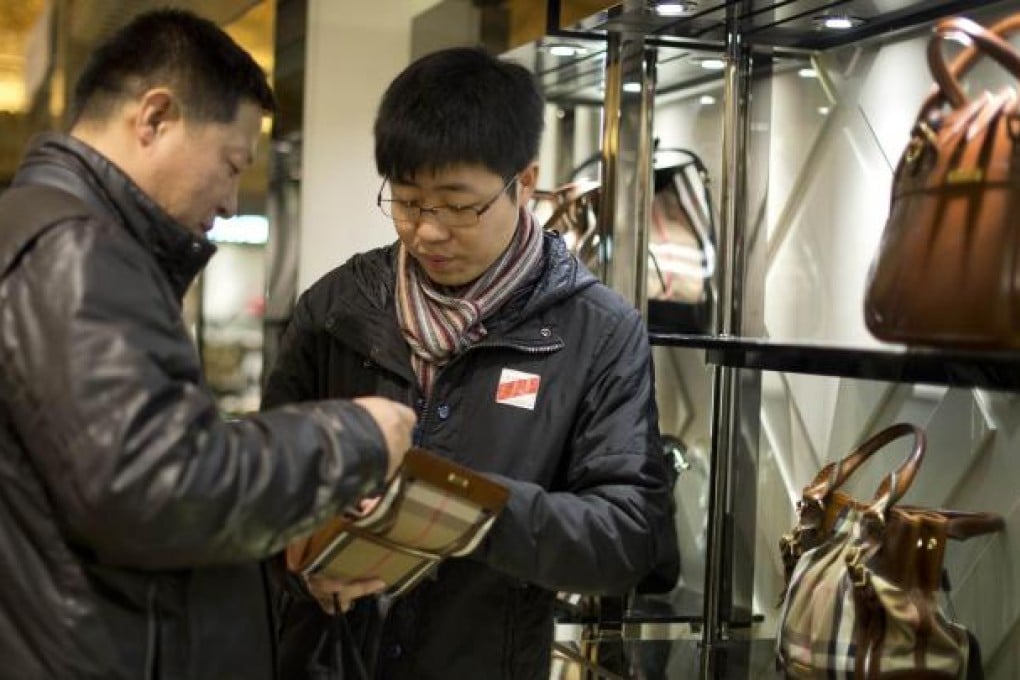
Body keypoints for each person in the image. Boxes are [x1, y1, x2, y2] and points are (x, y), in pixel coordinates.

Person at [0, 9, 415, 680]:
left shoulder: (43, 232)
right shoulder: (79, 251)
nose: (228, 201)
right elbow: (155, 484)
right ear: (155, 118)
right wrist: (353, 436)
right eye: (230, 164)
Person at [262, 46, 679, 679]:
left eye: (458, 205)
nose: (427, 231)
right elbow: (267, 475)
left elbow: (627, 539)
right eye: (406, 201)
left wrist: (463, 510)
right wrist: (296, 559)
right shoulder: (336, 309)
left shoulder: (598, 332)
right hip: (327, 661)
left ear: (526, 183)